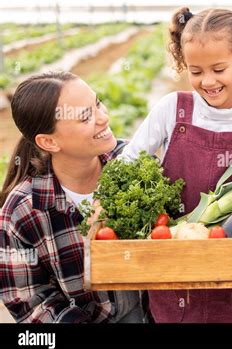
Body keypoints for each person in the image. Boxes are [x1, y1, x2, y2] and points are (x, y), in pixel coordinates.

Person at [119, 5, 232, 323]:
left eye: (219, 69)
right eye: (195, 71)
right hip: (171, 254)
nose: (207, 81)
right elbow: (131, 159)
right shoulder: (173, 109)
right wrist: (105, 198)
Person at [0, 72, 143, 323]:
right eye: (86, 117)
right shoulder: (22, 212)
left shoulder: (135, 164)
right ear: (49, 141)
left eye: (97, 103)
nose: (104, 117)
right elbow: (33, 306)